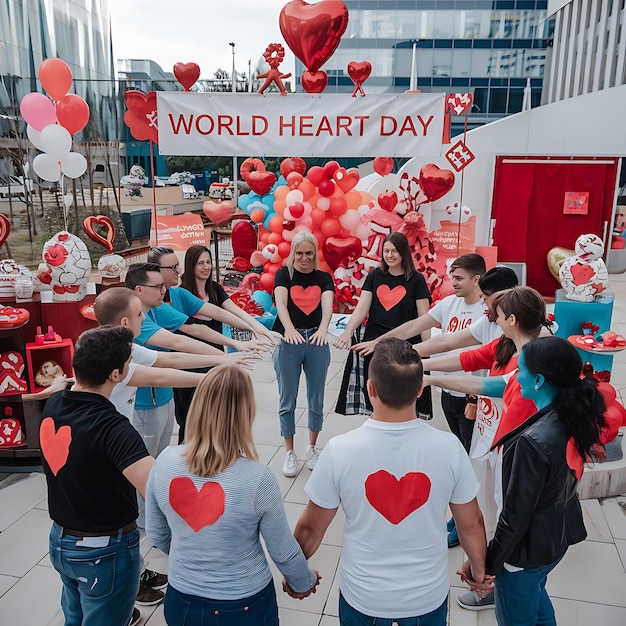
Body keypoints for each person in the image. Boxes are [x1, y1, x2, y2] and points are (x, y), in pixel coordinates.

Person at [292, 337, 487, 626]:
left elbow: (311, 528)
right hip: (426, 595)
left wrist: (296, 577)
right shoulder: (449, 447)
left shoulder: (340, 449)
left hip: (362, 594)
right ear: (421, 389)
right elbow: (471, 524)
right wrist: (479, 574)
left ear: (370, 389)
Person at [145, 365, 320, 626]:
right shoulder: (258, 478)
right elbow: (282, 551)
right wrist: (303, 582)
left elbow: (157, 533)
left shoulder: (164, 462)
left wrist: (198, 551)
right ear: (245, 415)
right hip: (245, 603)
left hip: (183, 598)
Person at [459, 336, 606, 626]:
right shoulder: (572, 414)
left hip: (525, 555)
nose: (515, 376)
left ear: (538, 380)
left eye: (520, 369)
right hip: (556, 538)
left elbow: (514, 517)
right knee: (538, 602)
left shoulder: (532, 442)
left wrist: (488, 564)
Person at [423, 287, 547, 567]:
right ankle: (484, 565)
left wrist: (430, 378)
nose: (493, 318)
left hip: (510, 446)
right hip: (487, 437)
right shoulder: (506, 344)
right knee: (483, 505)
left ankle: (500, 570)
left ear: (513, 320)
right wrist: (420, 364)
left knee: (504, 510)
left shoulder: (533, 359)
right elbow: (466, 359)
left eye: (498, 314)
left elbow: (490, 386)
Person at [41, 326, 154, 626]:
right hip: (104, 550)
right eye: (129, 362)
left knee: (75, 618)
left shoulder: (54, 403)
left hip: (61, 540)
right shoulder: (114, 428)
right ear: (116, 374)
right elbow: (156, 490)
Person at [354, 252, 487, 452]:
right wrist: (379, 342)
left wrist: (475, 399)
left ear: (476, 279)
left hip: (472, 392)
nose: (454, 283)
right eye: (453, 277)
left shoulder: (487, 310)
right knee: (460, 444)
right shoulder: (449, 303)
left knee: (473, 450)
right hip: (446, 387)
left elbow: (450, 344)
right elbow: (413, 326)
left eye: (459, 278)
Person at [171, 244, 279, 441]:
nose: (205, 267)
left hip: (215, 357)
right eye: (200, 263)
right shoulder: (181, 293)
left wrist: (260, 330)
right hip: (188, 361)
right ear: (190, 265)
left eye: (208, 262)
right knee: (189, 416)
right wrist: (245, 338)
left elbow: (233, 312)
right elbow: (196, 329)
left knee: (214, 411)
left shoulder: (215, 289)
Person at [333, 232, 432, 418]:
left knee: (404, 397)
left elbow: (424, 319)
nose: (390, 255)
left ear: (403, 252)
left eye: (394, 250)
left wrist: (426, 352)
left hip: (405, 345)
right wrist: (347, 332)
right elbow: (361, 309)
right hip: (374, 345)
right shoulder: (375, 276)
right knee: (377, 396)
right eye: (386, 250)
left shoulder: (417, 280)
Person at [273, 231, 334, 477]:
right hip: (290, 341)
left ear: (315, 254)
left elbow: (328, 306)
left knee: (316, 398)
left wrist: (322, 330)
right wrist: (288, 330)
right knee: (287, 399)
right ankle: (289, 452)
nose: (304, 258)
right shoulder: (283, 275)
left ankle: (311, 447)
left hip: (316, 341)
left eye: (309, 253)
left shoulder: (324, 278)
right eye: (299, 253)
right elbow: (281, 305)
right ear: (293, 254)